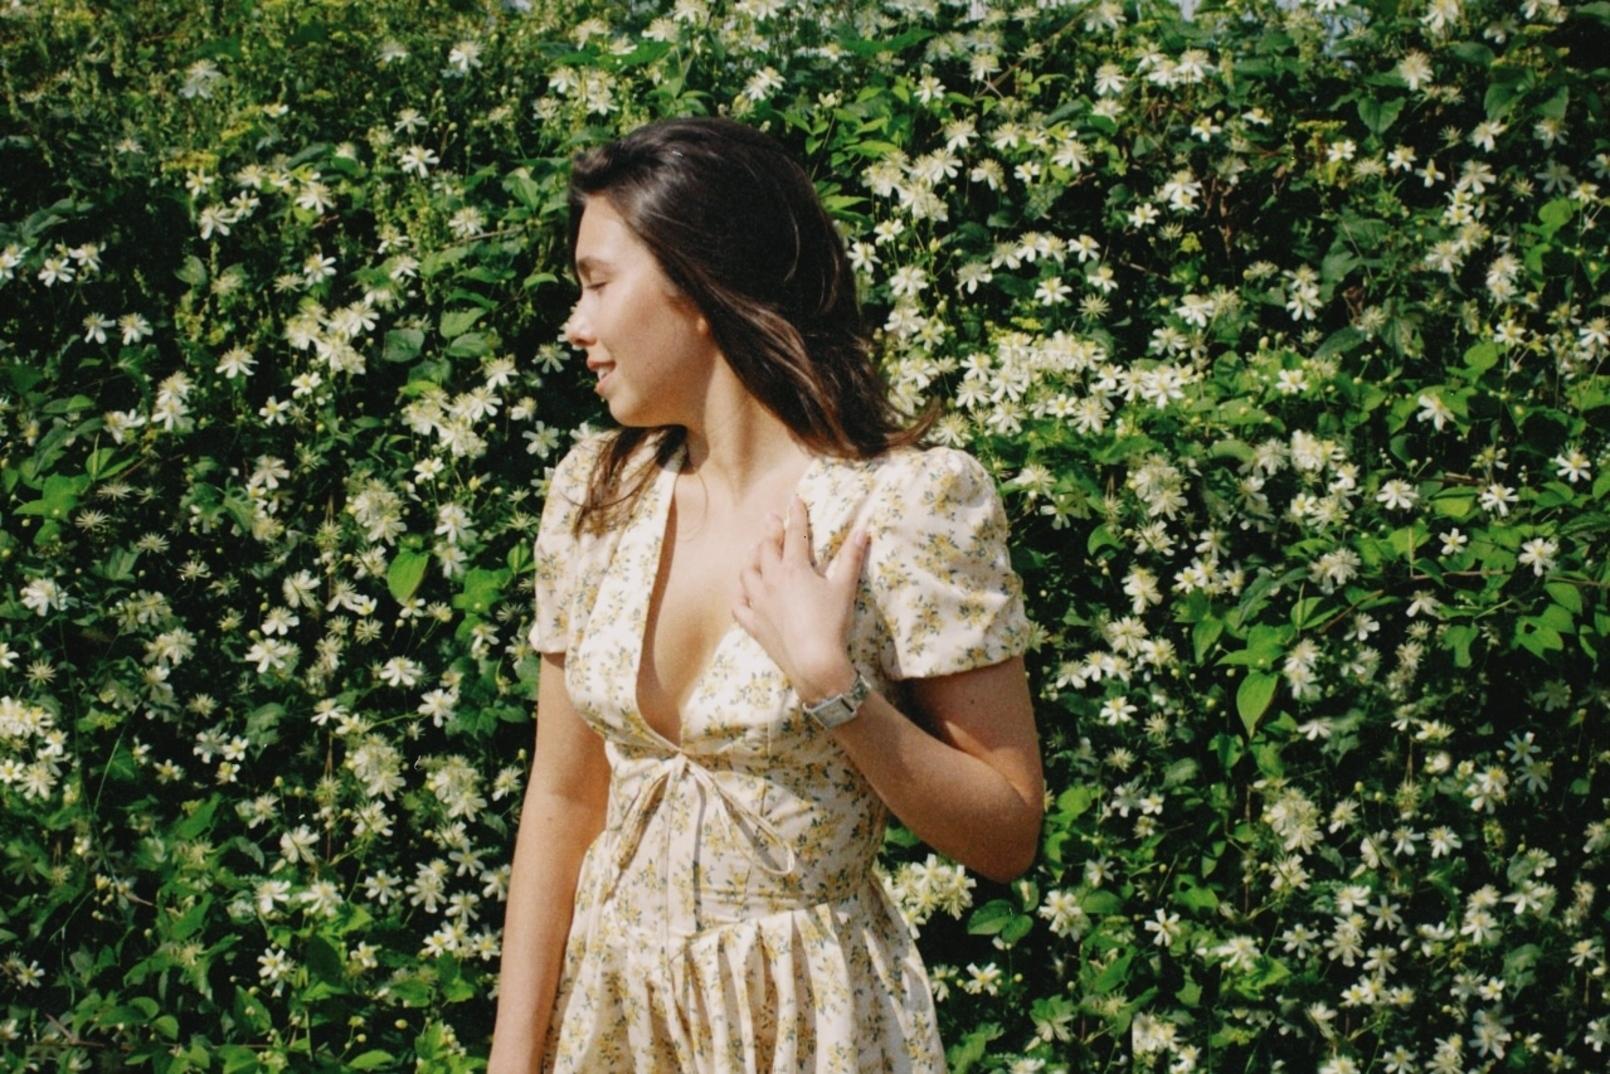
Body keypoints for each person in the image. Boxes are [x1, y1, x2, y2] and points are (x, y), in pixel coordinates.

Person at [488, 116, 1043, 1074]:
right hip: (612, 1023)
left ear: (699, 282)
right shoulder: (593, 493)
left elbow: (1008, 833)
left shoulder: (909, 503)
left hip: (808, 1028)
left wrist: (836, 691)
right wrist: (512, 1060)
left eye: (598, 283)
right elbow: (563, 799)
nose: (575, 325)